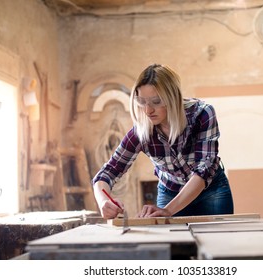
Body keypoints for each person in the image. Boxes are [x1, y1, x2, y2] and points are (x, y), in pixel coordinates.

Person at [92, 64, 233, 219]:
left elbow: (204, 170)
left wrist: (168, 210)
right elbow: (106, 173)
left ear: (173, 98)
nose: (147, 110)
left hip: (211, 191)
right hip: (170, 191)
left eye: (156, 101)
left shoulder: (202, 113)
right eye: (141, 102)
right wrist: (103, 200)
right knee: (172, 242)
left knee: (218, 239)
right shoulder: (141, 131)